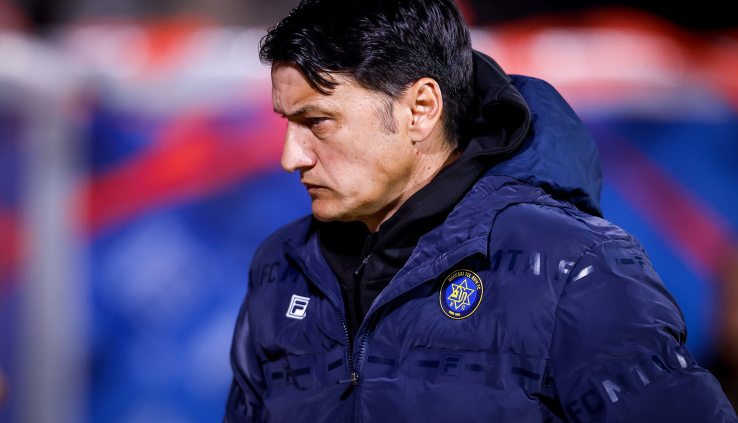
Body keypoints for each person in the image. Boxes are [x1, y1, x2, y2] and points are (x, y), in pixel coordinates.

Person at [224, 0, 738, 421]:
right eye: (287, 123)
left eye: (316, 121)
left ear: (420, 109)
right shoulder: (280, 265)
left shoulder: (571, 265)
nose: (291, 156)